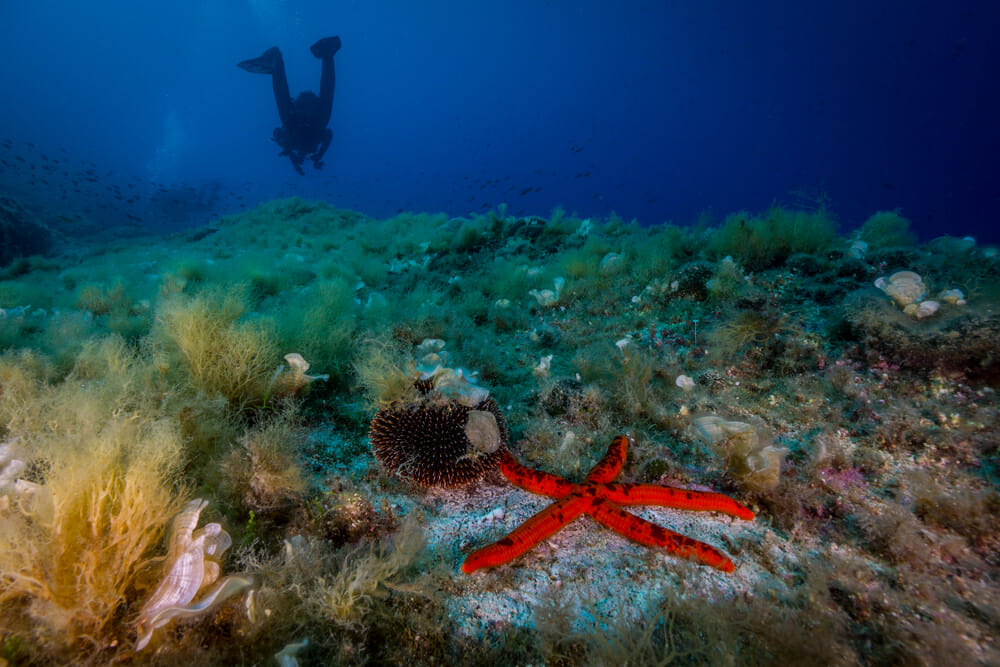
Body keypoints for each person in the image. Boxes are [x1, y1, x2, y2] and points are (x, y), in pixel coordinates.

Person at [238, 36, 341, 174]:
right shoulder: (304, 148)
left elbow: (277, 132)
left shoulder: (295, 146)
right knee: (288, 110)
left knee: (325, 101)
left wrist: (290, 152)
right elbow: (328, 134)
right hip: (307, 122)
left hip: (306, 122)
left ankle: (324, 56)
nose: (303, 156)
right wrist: (318, 155)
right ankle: (278, 63)